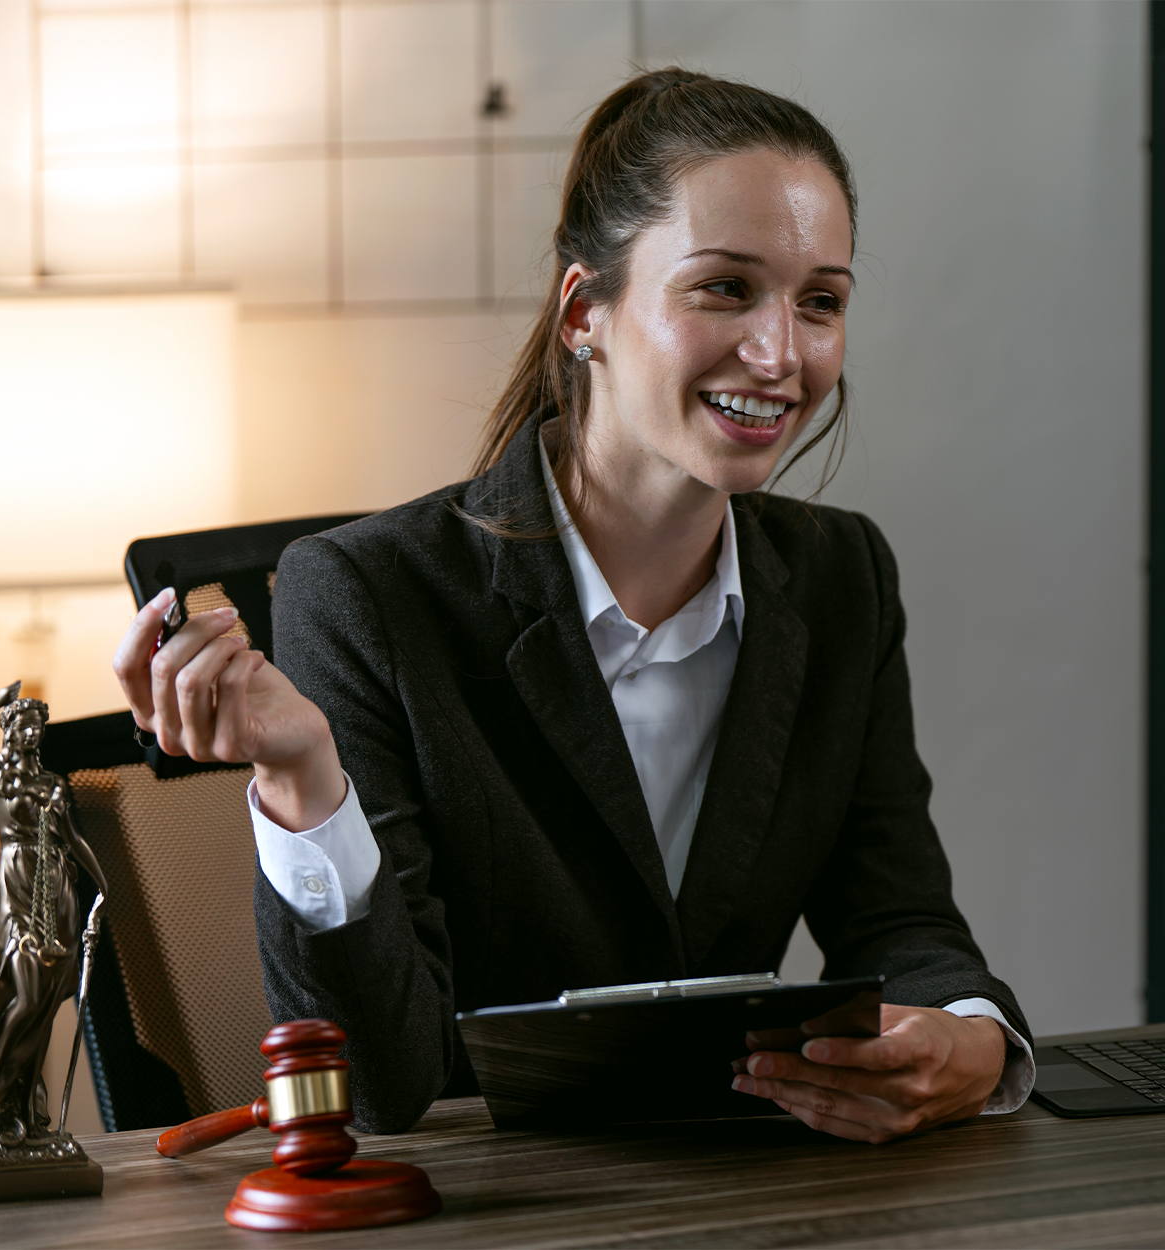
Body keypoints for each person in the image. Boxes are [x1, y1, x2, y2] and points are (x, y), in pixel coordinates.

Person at [114, 69, 1034, 1143]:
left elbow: (899, 918)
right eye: (725, 288)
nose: (781, 354)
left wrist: (973, 1038)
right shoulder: (365, 593)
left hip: (751, 1193)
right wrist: (303, 781)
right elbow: (377, 1085)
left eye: (818, 300)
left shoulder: (841, 579)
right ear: (584, 311)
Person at [0, 685, 107, 1147]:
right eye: (23, 724)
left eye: (38, 724)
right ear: (9, 732)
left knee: (48, 1003)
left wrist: (103, 885)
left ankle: (31, 1118)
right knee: (30, 994)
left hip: (57, 886)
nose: (33, 731)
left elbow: (72, 838)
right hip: (18, 881)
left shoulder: (53, 783)